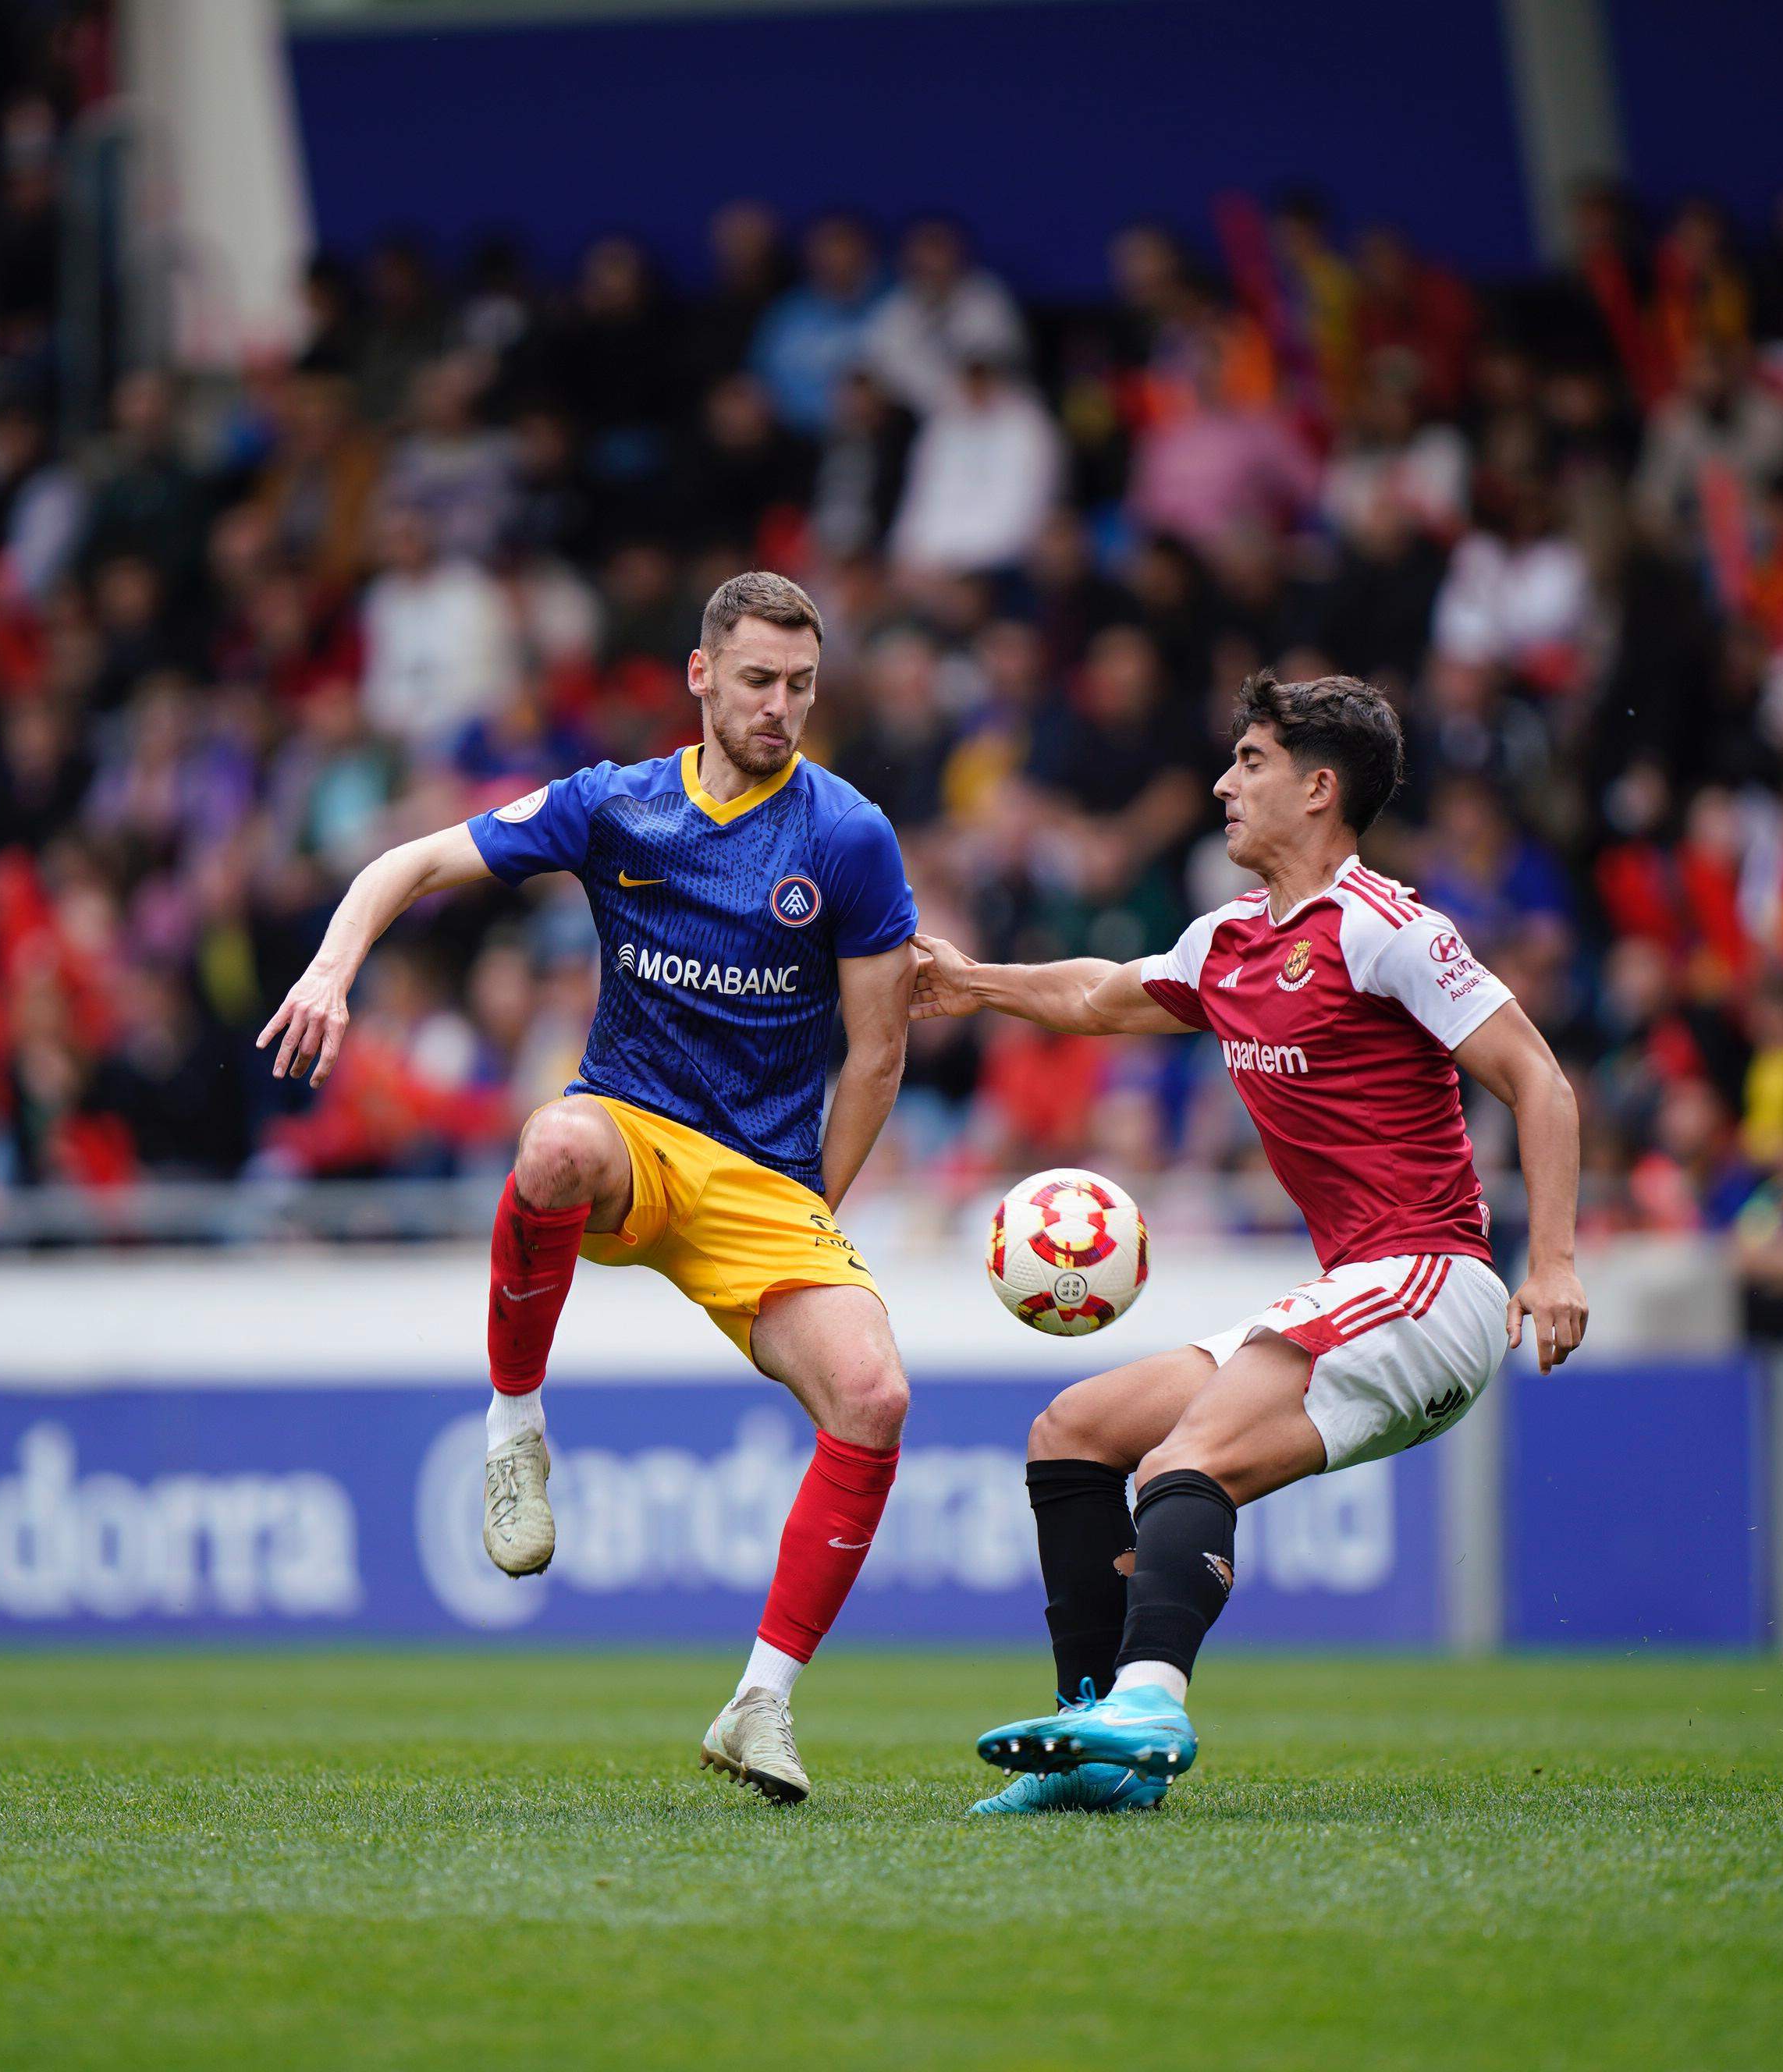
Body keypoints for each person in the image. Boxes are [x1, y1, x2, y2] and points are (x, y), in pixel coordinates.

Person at [261, 572, 918, 1803]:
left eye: (803, 686)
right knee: (551, 1145)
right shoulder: (615, 806)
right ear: (702, 677)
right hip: (632, 1132)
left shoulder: (847, 836)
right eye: (760, 681)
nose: (781, 707)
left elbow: (878, 1051)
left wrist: (813, 1204)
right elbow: (406, 862)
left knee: (875, 1396)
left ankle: (759, 1706)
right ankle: (513, 1430)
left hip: (768, 1182)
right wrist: (332, 970)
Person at [910, 674, 1588, 1810]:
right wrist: (972, 982)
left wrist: (1556, 1260)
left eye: (1252, 763)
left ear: (1320, 790)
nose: (1223, 785)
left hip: (1430, 1279)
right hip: (1355, 1288)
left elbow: (1540, 1080)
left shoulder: (1388, 929)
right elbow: (1098, 997)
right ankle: (1093, 1752)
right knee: (1073, 1434)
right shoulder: (1227, 943)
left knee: (1186, 1461)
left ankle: (1151, 1702)